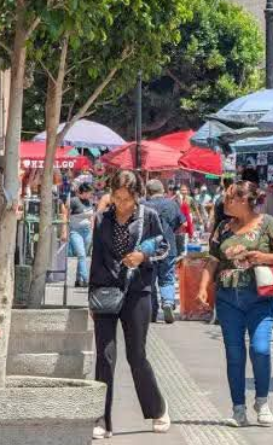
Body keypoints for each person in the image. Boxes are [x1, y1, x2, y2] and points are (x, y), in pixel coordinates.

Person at [197, 180, 273, 428]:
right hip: (228, 298)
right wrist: (202, 287)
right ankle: (238, 408)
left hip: (259, 297)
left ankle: (262, 401)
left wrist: (263, 257)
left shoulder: (267, 224)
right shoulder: (223, 228)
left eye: (230, 198)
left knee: (260, 350)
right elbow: (212, 260)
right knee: (234, 354)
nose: (225, 202)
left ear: (245, 201)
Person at [89, 170, 171, 440]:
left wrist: (142, 256)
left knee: (136, 355)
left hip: (138, 291)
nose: (121, 204)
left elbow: (163, 248)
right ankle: (103, 419)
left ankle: (157, 408)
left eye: (126, 199)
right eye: (116, 197)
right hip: (106, 291)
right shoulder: (102, 219)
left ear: (137, 196)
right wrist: (92, 295)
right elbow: (96, 258)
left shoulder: (149, 217)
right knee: (105, 356)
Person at [144, 179, 187, 324]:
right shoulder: (172, 204)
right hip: (169, 246)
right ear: (163, 190)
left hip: (148, 249)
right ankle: (168, 302)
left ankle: (151, 311)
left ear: (148, 191)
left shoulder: (143, 205)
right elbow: (183, 225)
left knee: (149, 280)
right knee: (167, 277)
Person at [68, 183, 95, 288]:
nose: (91, 195)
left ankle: (78, 280)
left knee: (83, 256)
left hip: (87, 231)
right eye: (89, 193)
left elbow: (91, 215)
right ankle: (85, 278)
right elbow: (66, 212)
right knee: (81, 255)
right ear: (84, 192)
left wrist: (92, 227)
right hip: (76, 231)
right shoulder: (74, 201)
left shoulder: (89, 202)